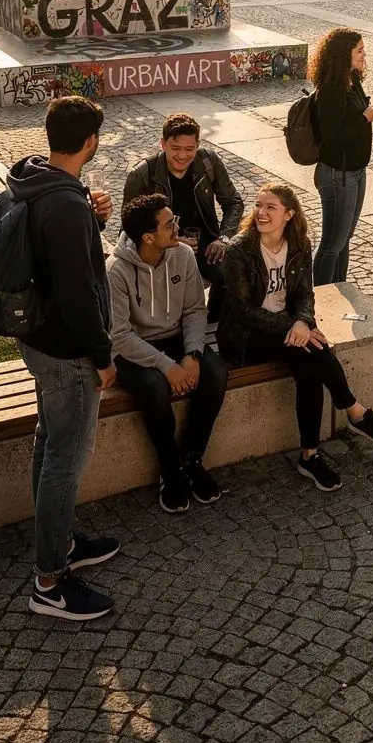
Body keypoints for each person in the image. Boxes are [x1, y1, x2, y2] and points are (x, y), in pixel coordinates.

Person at [8, 97, 119, 621]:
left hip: (37, 339)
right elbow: (78, 294)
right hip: (67, 352)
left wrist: (87, 217)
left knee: (48, 443)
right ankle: (50, 581)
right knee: (64, 462)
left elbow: (56, 261)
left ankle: (62, 541)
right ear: (91, 142)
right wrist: (102, 356)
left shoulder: (36, 181)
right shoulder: (66, 203)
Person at [218, 182, 373, 491]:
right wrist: (294, 327)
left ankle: (309, 456)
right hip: (247, 336)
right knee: (314, 349)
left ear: (288, 214)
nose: (261, 212)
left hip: (289, 331)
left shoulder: (299, 244)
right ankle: (355, 412)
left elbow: (305, 295)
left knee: (309, 368)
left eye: (270, 207)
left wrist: (303, 321)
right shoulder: (239, 250)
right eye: (259, 205)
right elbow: (242, 310)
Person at [109, 194, 228, 514]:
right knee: (154, 386)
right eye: (169, 224)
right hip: (132, 349)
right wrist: (167, 367)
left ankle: (192, 458)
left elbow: (194, 311)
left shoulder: (184, 255)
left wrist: (191, 355)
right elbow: (119, 336)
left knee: (215, 372)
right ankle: (170, 467)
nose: (178, 227)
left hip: (176, 339)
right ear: (148, 237)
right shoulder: (116, 271)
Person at [123, 113, 244, 324]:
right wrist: (170, 242)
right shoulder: (142, 174)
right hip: (164, 249)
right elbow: (129, 228)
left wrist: (223, 238)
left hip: (207, 245)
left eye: (189, 149)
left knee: (232, 277)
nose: (182, 156)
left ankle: (213, 325)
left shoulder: (208, 162)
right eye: (176, 148)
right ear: (163, 144)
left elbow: (233, 202)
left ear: (198, 145)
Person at [310, 28, 373, 285]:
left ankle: (339, 289)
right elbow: (334, 137)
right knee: (332, 243)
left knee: (344, 240)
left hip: (355, 170)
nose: (364, 54)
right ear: (344, 55)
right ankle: (319, 298)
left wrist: (368, 112)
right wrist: (365, 117)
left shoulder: (352, 80)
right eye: (360, 50)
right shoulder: (331, 89)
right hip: (337, 173)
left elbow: (353, 118)